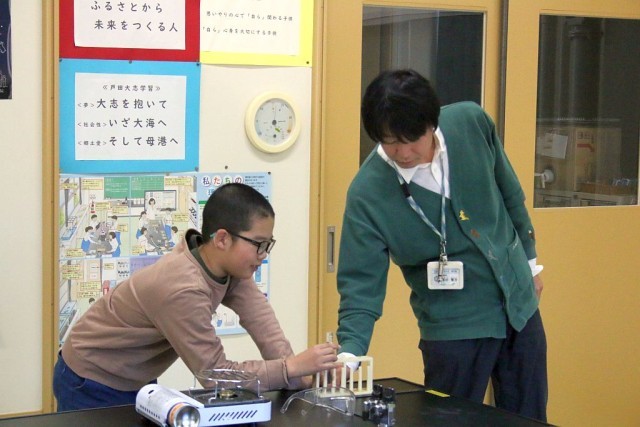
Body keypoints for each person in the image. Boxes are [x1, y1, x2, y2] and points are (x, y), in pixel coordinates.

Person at [335, 69, 547, 421]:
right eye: (390, 142)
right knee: (449, 420)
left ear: (432, 123)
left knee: (529, 417)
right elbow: (360, 284)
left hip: (519, 306)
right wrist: (349, 354)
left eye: (412, 139)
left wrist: (529, 264)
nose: (404, 152)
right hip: (453, 327)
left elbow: (511, 194)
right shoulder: (367, 193)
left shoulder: (470, 123)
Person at [54, 183, 341, 411]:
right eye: (258, 244)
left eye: (268, 244)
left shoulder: (225, 266)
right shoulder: (183, 289)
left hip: (135, 375)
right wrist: (290, 368)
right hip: (91, 377)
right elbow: (215, 374)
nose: (263, 255)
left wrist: (300, 375)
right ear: (222, 239)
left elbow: (262, 321)